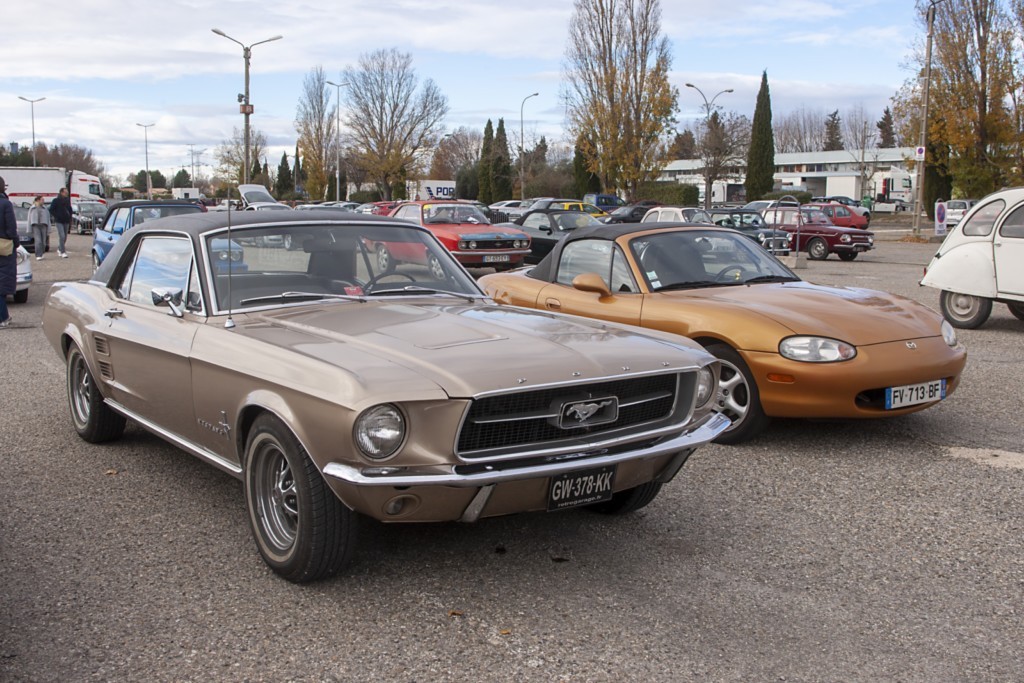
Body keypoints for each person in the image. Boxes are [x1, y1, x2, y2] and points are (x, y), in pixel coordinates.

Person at [0, 176, 19, 327]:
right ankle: (3, 317)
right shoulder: (6, 204)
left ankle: (4, 316)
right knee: (3, 282)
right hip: (4, 246)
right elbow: (11, 228)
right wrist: (15, 243)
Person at [49, 187, 72, 258]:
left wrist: (69, 216)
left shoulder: (67, 200)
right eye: (65, 192)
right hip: (59, 221)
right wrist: (57, 216)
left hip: (66, 220)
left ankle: (59, 248)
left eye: (67, 193)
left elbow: (70, 209)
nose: (67, 194)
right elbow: (51, 209)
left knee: (65, 237)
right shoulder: (55, 200)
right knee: (62, 236)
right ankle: (63, 252)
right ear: (61, 192)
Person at [27, 195, 51, 260]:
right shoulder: (32, 208)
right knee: (38, 241)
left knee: (43, 242)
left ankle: (42, 253)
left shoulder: (45, 208)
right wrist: (29, 228)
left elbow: (48, 218)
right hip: (36, 225)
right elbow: (29, 218)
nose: (43, 201)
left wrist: (49, 227)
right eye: (42, 200)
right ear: (38, 200)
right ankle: (38, 255)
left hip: (43, 225)